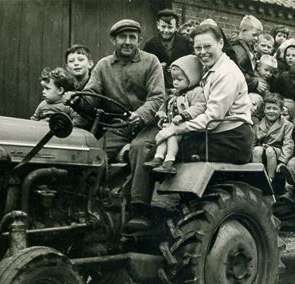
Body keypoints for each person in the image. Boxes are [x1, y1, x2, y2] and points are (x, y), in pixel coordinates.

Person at [69, 19, 165, 233]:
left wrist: (141, 115)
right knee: (95, 154)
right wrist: (79, 101)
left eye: (132, 37)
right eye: (123, 37)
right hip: (119, 125)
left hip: (148, 124)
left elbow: (158, 97)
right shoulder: (103, 66)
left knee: (141, 148)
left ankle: (139, 210)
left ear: (139, 40)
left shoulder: (151, 62)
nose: (128, 42)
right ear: (114, 39)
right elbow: (92, 93)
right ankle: (90, 206)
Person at [154, 24, 254, 166]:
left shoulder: (226, 73)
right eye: (197, 48)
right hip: (217, 133)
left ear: (220, 43)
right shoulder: (211, 68)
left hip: (231, 139)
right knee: (168, 145)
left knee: (171, 150)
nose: (202, 52)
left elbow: (212, 117)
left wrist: (175, 128)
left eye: (207, 46)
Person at [144, 55, 206, 174]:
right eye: (173, 80)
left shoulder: (196, 92)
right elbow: (165, 105)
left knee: (171, 137)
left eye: (179, 79)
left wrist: (184, 115)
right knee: (163, 136)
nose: (175, 83)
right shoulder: (175, 93)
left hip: (186, 128)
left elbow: (199, 107)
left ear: (191, 77)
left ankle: (169, 161)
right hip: (173, 125)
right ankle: (158, 157)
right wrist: (161, 114)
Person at [143, 9, 193, 89]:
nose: (166, 30)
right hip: (157, 85)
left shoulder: (185, 42)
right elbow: (144, 67)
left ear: (176, 27)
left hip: (181, 85)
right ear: (158, 25)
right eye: (163, 27)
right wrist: (157, 66)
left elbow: (191, 63)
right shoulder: (150, 44)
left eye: (170, 27)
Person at [252, 93, 294, 181]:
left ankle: (270, 179)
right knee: (256, 150)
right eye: (268, 108)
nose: (271, 111)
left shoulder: (287, 125)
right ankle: (257, 177)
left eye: (275, 108)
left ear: (281, 110)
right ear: (264, 109)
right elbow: (252, 142)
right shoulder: (258, 125)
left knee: (270, 150)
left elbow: (288, 144)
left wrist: (283, 161)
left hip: (277, 153)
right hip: (262, 153)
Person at [231, 15, 264, 92]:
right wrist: (254, 83)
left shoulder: (247, 47)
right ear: (244, 30)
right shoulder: (238, 50)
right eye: (254, 35)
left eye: (258, 36)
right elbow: (237, 73)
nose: (256, 38)